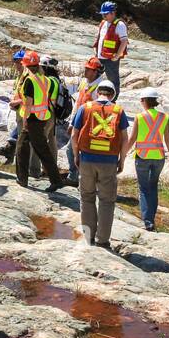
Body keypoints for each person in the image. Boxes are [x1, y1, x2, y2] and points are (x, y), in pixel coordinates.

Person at [70, 80, 128, 248]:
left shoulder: (85, 108)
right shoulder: (118, 110)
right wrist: (122, 160)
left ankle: (89, 237)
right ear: (112, 95)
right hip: (109, 162)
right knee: (106, 201)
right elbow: (125, 139)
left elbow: (74, 135)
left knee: (86, 198)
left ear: (98, 93)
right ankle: (103, 241)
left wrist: (76, 155)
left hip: (87, 159)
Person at [11, 51, 69, 192]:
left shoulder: (29, 80)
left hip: (32, 119)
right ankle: (48, 179)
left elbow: (29, 103)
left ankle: (25, 179)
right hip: (42, 118)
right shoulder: (44, 79)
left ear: (26, 65)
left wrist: (25, 120)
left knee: (25, 147)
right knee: (30, 147)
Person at [125, 87, 169, 231]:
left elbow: (132, 138)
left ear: (144, 101)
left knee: (144, 188)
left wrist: (122, 155)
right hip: (159, 156)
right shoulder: (164, 117)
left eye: (141, 100)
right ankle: (151, 218)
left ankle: (148, 221)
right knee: (153, 187)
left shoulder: (140, 117)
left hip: (142, 156)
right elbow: (168, 139)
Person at [94, 1, 129, 97]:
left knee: (113, 81)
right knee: (95, 79)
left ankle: (114, 99)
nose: (104, 16)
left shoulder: (120, 25)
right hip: (100, 57)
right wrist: (96, 53)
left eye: (106, 14)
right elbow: (99, 38)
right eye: (103, 14)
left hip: (111, 59)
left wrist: (117, 56)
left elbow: (124, 41)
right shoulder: (103, 23)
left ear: (113, 13)